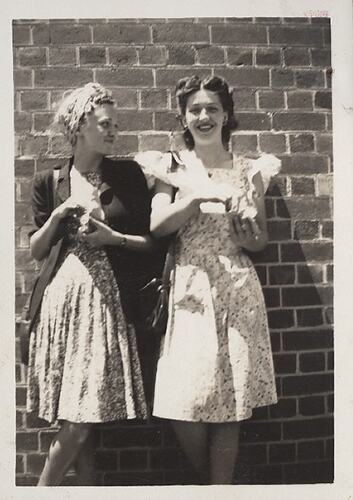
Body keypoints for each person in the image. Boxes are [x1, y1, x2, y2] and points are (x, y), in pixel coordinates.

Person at [135, 75, 280, 485]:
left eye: (212, 109)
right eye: (195, 109)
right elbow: (158, 225)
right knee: (186, 398)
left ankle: (220, 488)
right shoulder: (173, 167)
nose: (203, 116)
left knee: (231, 397)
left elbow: (261, 241)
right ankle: (216, 481)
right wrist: (197, 198)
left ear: (226, 115)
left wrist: (247, 233)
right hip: (190, 289)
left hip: (237, 287)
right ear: (184, 117)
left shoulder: (250, 170)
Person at [26, 82, 155, 486]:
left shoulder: (127, 175)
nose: (114, 130)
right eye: (105, 123)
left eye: (116, 124)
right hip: (62, 303)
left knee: (83, 416)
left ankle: (42, 490)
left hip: (106, 302)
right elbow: (36, 250)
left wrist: (110, 237)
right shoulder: (49, 181)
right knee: (81, 416)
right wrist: (57, 215)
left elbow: (152, 243)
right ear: (79, 125)